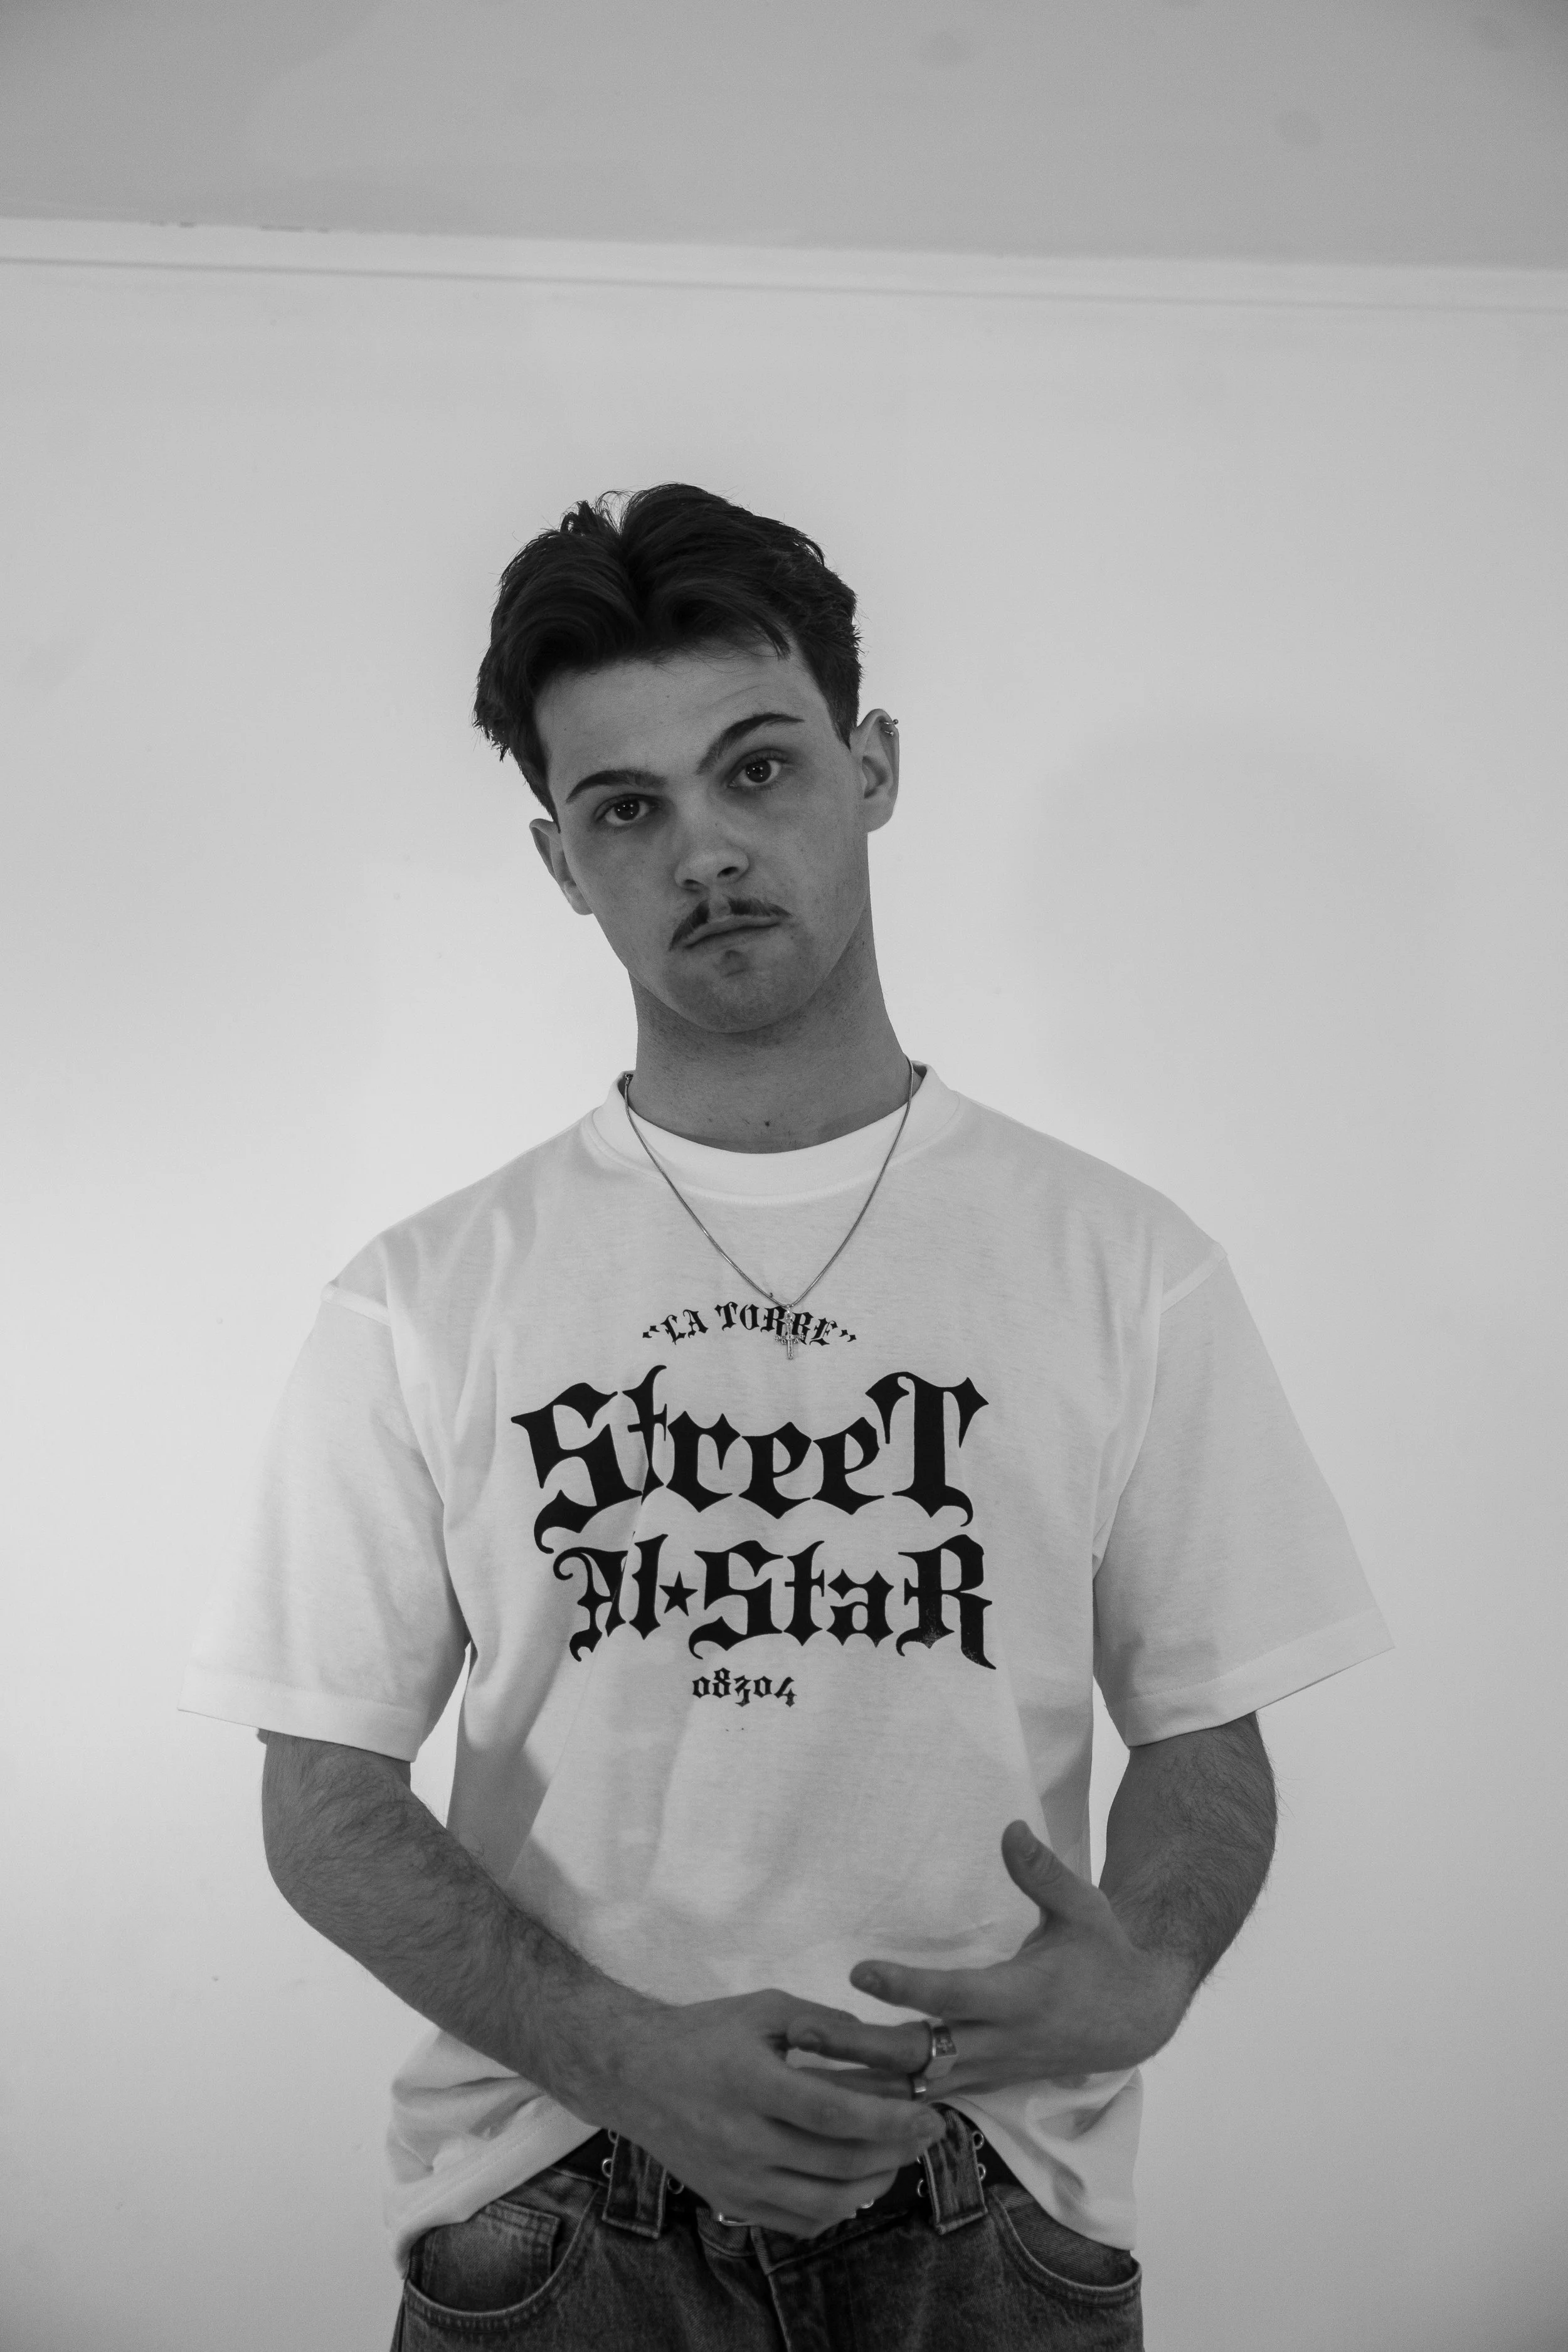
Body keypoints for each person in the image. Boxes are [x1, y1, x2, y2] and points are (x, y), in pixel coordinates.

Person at [181, 484, 1392, 2350]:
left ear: (870, 766)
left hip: (989, 2199)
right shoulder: (422, 1295)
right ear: (560, 859)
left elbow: (1203, 1734)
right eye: (627, 809)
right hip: (557, 2210)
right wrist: (621, 2054)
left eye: (758, 769)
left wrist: (1149, 1966)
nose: (706, 853)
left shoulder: (1120, 1263)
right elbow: (323, 1791)